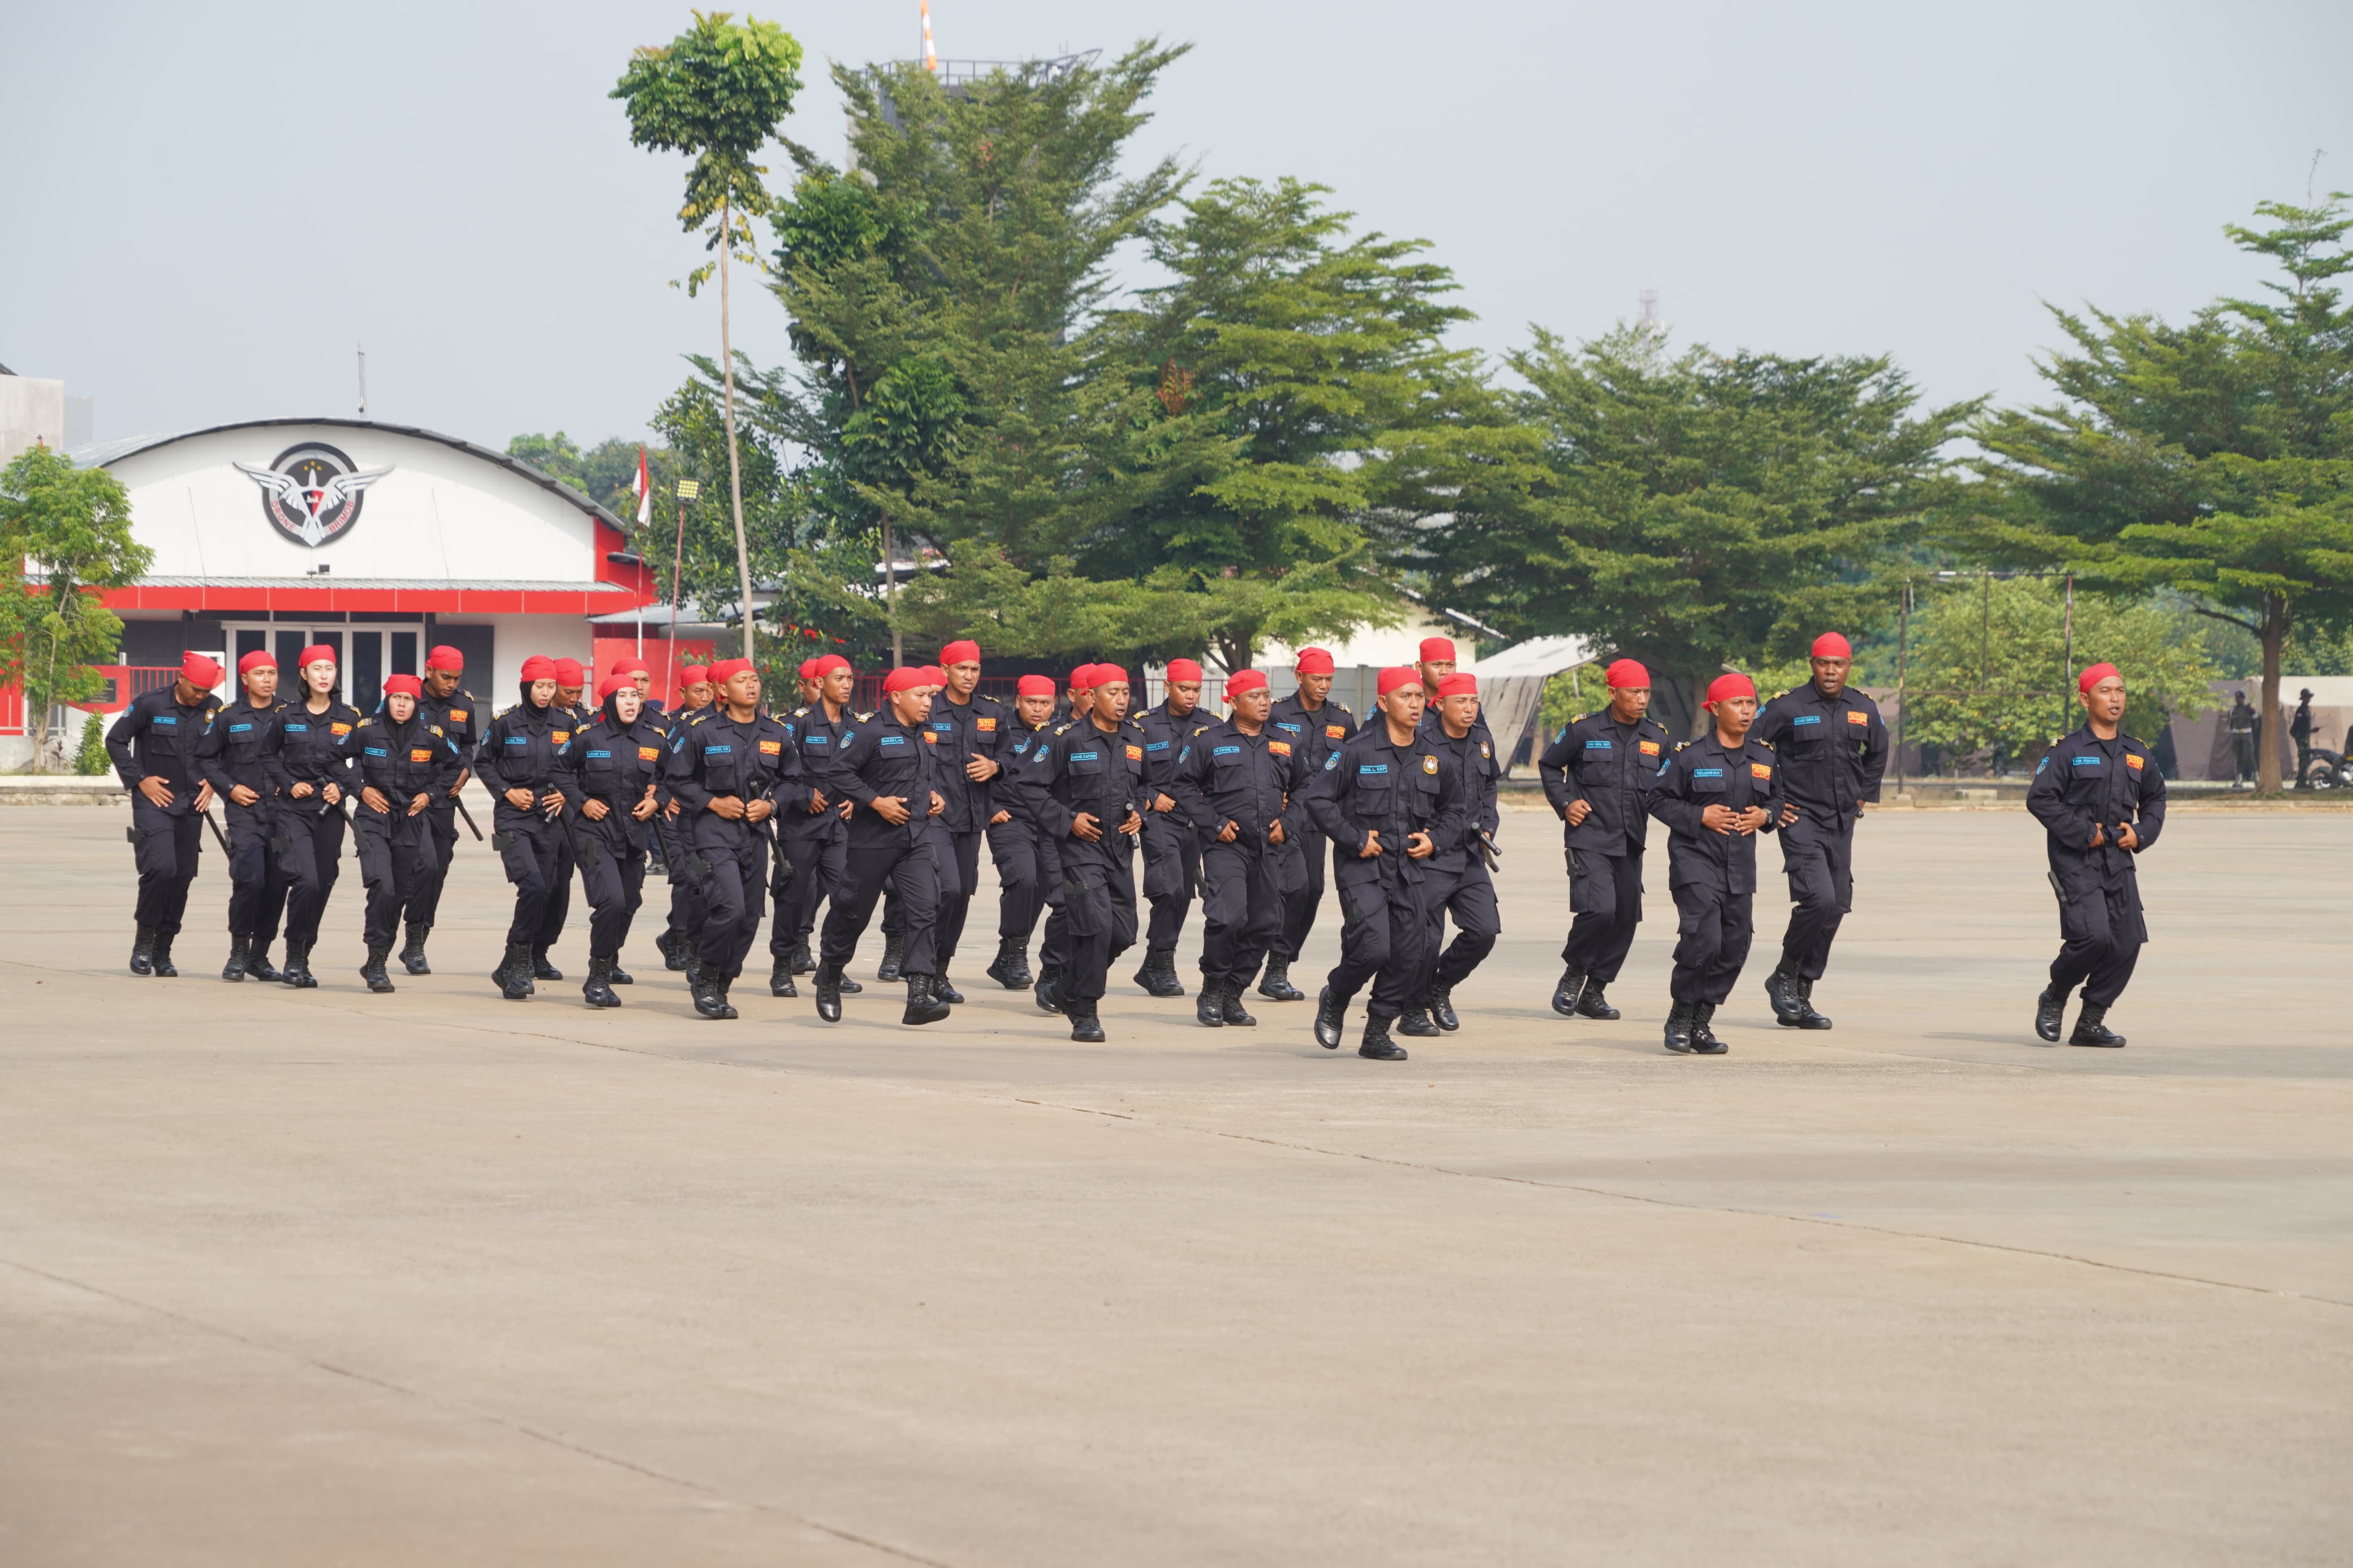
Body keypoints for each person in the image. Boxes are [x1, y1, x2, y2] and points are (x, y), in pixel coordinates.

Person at [1302, 667, 1463, 1062]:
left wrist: (1435, 839)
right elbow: (1317, 799)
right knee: (1372, 947)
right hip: (1362, 867)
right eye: (1405, 696)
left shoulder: (1434, 756)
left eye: (1418, 697)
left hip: (1408, 868)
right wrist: (1355, 839)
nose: (1414, 704)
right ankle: (1336, 995)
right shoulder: (1356, 751)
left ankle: (1377, 1032)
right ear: (1383, 702)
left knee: (1411, 952)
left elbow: (1457, 809)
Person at [1752, 632, 1887, 1030]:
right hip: (1800, 817)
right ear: (1812, 664)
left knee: (1838, 902)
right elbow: (1753, 749)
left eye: (1839, 664)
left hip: (1842, 819)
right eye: (1823, 663)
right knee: (1819, 898)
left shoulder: (1863, 708)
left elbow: (1879, 751)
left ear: (1849, 666)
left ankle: (1801, 989)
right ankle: (1784, 974)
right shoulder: (1787, 706)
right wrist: (1773, 802)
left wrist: (1862, 798)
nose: (1831, 671)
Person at [2026, 663, 2166, 1047]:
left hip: (2119, 859)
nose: (2115, 698)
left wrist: (2141, 833)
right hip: (2075, 859)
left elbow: (2156, 797)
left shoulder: (2137, 753)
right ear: (2086, 699)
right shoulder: (2067, 750)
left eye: (2120, 690)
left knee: (2127, 940)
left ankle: (2091, 1021)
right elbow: (2039, 799)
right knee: (2093, 936)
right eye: (2106, 691)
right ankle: (2055, 994)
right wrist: (2084, 832)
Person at [1645, 672, 1785, 1054]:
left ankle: (1701, 1020)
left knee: (1735, 946)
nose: (1745, 711)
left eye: (1750, 703)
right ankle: (1681, 1015)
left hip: (1740, 867)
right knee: (1704, 938)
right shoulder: (1689, 756)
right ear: (1715, 708)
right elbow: (1656, 799)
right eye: (1737, 703)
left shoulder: (1764, 757)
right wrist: (1699, 817)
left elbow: (1777, 800)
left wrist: (1766, 817)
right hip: (1696, 862)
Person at [1007, 663, 1147, 1042]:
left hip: (1118, 850)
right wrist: (1067, 820)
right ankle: (1085, 1010)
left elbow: (1149, 785)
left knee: (1124, 932)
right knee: (1096, 928)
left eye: (1125, 693)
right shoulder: (1064, 738)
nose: (1121, 700)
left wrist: (1141, 813)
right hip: (1079, 849)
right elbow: (1029, 785)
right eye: (1112, 693)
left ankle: (1065, 986)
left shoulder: (1135, 737)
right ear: (1091, 696)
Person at [808, 665, 951, 1026]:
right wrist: (875, 802)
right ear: (896, 697)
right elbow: (838, 774)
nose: (927, 703)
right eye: (920, 696)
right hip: (873, 841)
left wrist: (934, 797)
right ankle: (830, 972)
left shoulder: (927, 733)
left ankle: (918, 995)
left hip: (916, 838)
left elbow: (924, 776)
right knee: (853, 911)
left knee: (923, 910)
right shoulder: (869, 731)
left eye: (930, 696)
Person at [663, 658, 804, 1020]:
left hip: (756, 834)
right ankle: (707, 977)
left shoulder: (776, 733)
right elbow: (677, 779)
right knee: (730, 908)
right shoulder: (702, 730)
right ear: (723, 690)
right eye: (743, 681)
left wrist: (771, 805)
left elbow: (794, 782)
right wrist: (712, 801)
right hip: (712, 832)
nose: (752, 686)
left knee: (750, 918)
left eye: (755, 680)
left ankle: (722, 982)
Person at [1539, 658, 1673, 1023]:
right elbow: (1550, 765)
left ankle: (1595, 991)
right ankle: (1573, 974)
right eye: (1634, 692)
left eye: (1646, 691)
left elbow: (1672, 785)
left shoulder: (1657, 737)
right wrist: (1566, 803)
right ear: (1613, 693)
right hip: (1590, 837)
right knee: (1600, 910)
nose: (1642, 699)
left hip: (1631, 841)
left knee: (1626, 918)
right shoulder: (1584, 729)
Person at [1170, 669, 1303, 1026]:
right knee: (1228, 918)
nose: (1264, 703)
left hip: (1270, 845)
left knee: (1266, 923)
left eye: (1267, 696)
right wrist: (1214, 823)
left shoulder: (1285, 741)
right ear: (1233, 701)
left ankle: (1233, 993)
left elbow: (1307, 789)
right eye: (1255, 697)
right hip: (1226, 846)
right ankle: (1212, 988)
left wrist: (1289, 825)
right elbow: (1182, 786)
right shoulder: (1208, 740)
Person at [106, 650, 225, 977]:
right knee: (161, 868)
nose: (200, 697)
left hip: (192, 804)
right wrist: (140, 780)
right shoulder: (151, 703)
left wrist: (214, 784)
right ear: (181, 678)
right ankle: (144, 941)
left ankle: (164, 950)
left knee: (183, 876)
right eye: (195, 690)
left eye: (205, 691)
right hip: (154, 801)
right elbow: (116, 740)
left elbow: (227, 752)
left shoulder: (215, 709)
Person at [349, 675, 463, 992]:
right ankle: (375, 961)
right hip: (373, 817)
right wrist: (360, 789)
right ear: (387, 700)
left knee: (399, 891)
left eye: (409, 699)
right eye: (396, 698)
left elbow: (457, 764)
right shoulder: (366, 730)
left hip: (410, 819)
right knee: (382, 887)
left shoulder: (431, 736)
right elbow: (334, 760)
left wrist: (431, 794)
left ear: (417, 704)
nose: (402, 704)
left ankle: (381, 958)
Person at [562, 672, 668, 1007]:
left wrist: (657, 800)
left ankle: (608, 960)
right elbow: (558, 770)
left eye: (635, 696)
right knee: (612, 901)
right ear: (609, 701)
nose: (631, 702)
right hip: (594, 833)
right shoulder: (587, 737)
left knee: (630, 902)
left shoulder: (655, 739)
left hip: (634, 834)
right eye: (623, 696)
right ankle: (597, 977)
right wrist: (582, 801)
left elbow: (676, 776)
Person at [258, 646, 358, 989]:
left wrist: (342, 789)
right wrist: (289, 784)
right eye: (317, 669)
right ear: (304, 674)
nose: (324, 675)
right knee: (306, 880)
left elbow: (363, 762)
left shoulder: (350, 717)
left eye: (330, 668)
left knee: (324, 883)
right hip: (293, 811)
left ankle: (304, 952)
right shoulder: (287, 716)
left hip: (331, 812)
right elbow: (267, 756)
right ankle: (293, 954)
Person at [475, 655, 573, 1001]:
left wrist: (566, 793)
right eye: (540, 686)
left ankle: (510, 965)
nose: (546, 693)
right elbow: (483, 761)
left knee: (546, 890)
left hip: (549, 818)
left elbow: (580, 766)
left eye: (551, 686)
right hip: (513, 818)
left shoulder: (567, 723)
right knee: (532, 885)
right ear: (526, 686)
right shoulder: (505, 722)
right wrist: (506, 791)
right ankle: (517, 962)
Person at [769, 654, 863, 999]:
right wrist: (804, 793)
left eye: (850, 678)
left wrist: (858, 797)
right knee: (793, 898)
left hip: (840, 825)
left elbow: (863, 771)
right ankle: (782, 966)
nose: (847, 685)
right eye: (839, 678)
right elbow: (777, 772)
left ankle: (830, 968)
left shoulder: (856, 725)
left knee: (848, 897)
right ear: (820, 683)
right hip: (801, 825)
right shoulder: (797, 724)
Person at [1412, 671, 1502, 1034]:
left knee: (1484, 931)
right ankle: (1412, 1008)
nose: (1469, 709)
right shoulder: (1421, 741)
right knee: (1425, 939)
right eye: (1461, 702)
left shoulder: (1482, 739)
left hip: (1469, 854)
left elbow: (1491, 783)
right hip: (1430, 855)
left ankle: (1440, 987)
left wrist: (1490, 822)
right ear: (1440, 704)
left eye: (1474, 702)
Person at [1264, 647, 1356, 1001]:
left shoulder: (1343, 720)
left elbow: (1353, 765)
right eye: (1317, 678)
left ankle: (1281, 961)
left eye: (1329, 680)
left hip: (1320, 819)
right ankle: (1275, 965)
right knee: (1290, 889)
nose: (1323, 686)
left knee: (1313, 890)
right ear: (1299, 677)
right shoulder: (1277, 713)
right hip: (1285, 815)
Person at [196, 649, 291, 982]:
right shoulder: (228, 716)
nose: (267, 680)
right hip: (245, 813)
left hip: (283, 816)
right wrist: (230, 788)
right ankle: (238, 952)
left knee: (278, 884)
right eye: (260, 674)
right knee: (250, 879)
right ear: (245, 678)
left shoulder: (290, 715)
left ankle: (259, 956)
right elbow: (205, 760)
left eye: (272, 673)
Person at [926, 640, 1007, 1004]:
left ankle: (940, 970)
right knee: (949, 890)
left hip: (973, 818)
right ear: (945, 671)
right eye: (962, 669)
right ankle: (923, 966)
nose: (969, 676)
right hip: (935, 817)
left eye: (974, 669)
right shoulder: (928, 708)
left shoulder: (992, 712)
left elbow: (1010, 754)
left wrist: (996, 767)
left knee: (962, 897)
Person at [404, 644, 480, 975]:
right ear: (429, 670)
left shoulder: (464, 704)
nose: (450, 684)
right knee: (425, 865)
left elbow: (468, 747)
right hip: (408, 798)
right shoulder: (405, 697)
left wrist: (465, 770)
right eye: (445, 677)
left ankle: (417, 939)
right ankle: (408, 935)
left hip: (444, 800)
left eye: (456, 678)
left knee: (437, 871)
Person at [1133, 657, 1206, 997]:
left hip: (1195, 821)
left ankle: (1154, 962)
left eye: (1195, 689)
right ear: (1168, 687)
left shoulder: (1212, 725)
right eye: (1183, 689)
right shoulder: (1143, 725)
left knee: (1183, 895)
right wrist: (1150, 796)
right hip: (1159, 819)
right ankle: (1162, 961)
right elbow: (1125, 767)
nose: (1190, 695)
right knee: (1170, 887)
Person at [983, 675, 1059, 990]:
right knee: (1023, 879)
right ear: (1018, 701)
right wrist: (988, 810)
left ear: (1054, 705)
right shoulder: (1000, 731)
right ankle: (1015, 952)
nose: (1038, 709)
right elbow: (973, 771)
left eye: (1044, 704)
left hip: (1047, 822)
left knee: (1042, 887)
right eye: (1031, 702)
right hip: (1008, 818)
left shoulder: (1060, 733)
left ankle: (1007, 955)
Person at [654, 663, 716, 973]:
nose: (705, 696)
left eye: (709, 689)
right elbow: (658, 769)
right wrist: (665, 797)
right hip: (675, 816)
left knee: (704, 882)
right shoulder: (673, 726)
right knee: (686, 877)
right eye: (698, 691)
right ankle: (680, 939)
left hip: (708, 815)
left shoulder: (722, 723)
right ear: (682, 693)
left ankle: (680, 936)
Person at [2225, 690, 2257, 789]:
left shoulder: (2250, 710)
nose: (2238, 700)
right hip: (2236, 737)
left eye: (2240, 698)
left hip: (2247, 736)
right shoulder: (2232, 711)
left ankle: (2256, 776)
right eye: (2237, 698)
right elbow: (2230, 724)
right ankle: (2239, 778)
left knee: (2249, 756)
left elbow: (2256, 723)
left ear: (2243, 699)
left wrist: (2251, 733)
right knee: (2239, 757)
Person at [2290, 689, 2315, 788]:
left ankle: (2303, 780)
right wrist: (2309, 731)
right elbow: (2298, 725)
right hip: (2301, 738)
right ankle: (2301, 781)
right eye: (2307, 697)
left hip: (2305, 737)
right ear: (2303, 698)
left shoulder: (2306, 709)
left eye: (2309, 697)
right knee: (2303, 758)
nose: (2308, 699)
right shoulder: (2301, 711)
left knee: (2305, 758)